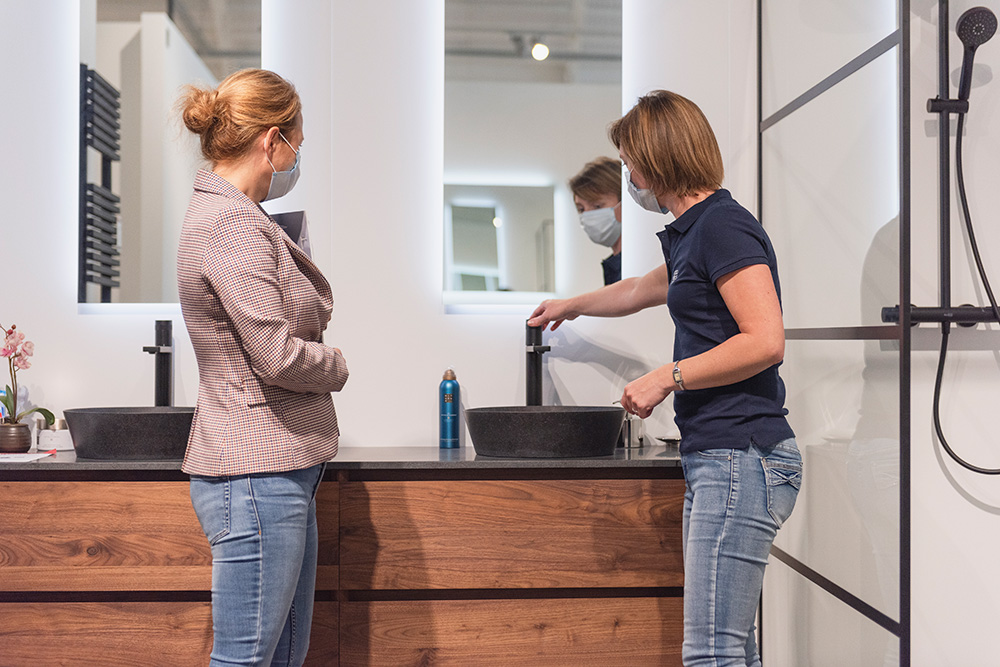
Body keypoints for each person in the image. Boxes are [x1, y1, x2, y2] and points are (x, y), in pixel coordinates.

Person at [528, 90, 801, 667]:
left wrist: (667, 377)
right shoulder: (693, 231)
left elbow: (765, 339)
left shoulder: (723, 227)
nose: (629, 176)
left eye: (629, 163)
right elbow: (634, 291)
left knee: (711, 652)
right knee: (732, 649)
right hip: (725, 456)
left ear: (656, 159)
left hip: (741, 453)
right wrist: (569, 306)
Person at [176, 69, 349, 667]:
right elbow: (275, 355)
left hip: (275, 471)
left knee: (278, 658)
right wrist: (337, 363)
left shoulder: (240, 218)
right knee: (247, 659)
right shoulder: (230, 225)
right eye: (297, 142)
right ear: (271, 140)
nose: (296, 157)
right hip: (255, 472)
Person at [569, 156, 623, 285]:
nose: (588, 215)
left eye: (597, 206)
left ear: (623, 204)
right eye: (581, 209)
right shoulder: (614, 265)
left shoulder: (638, 264)